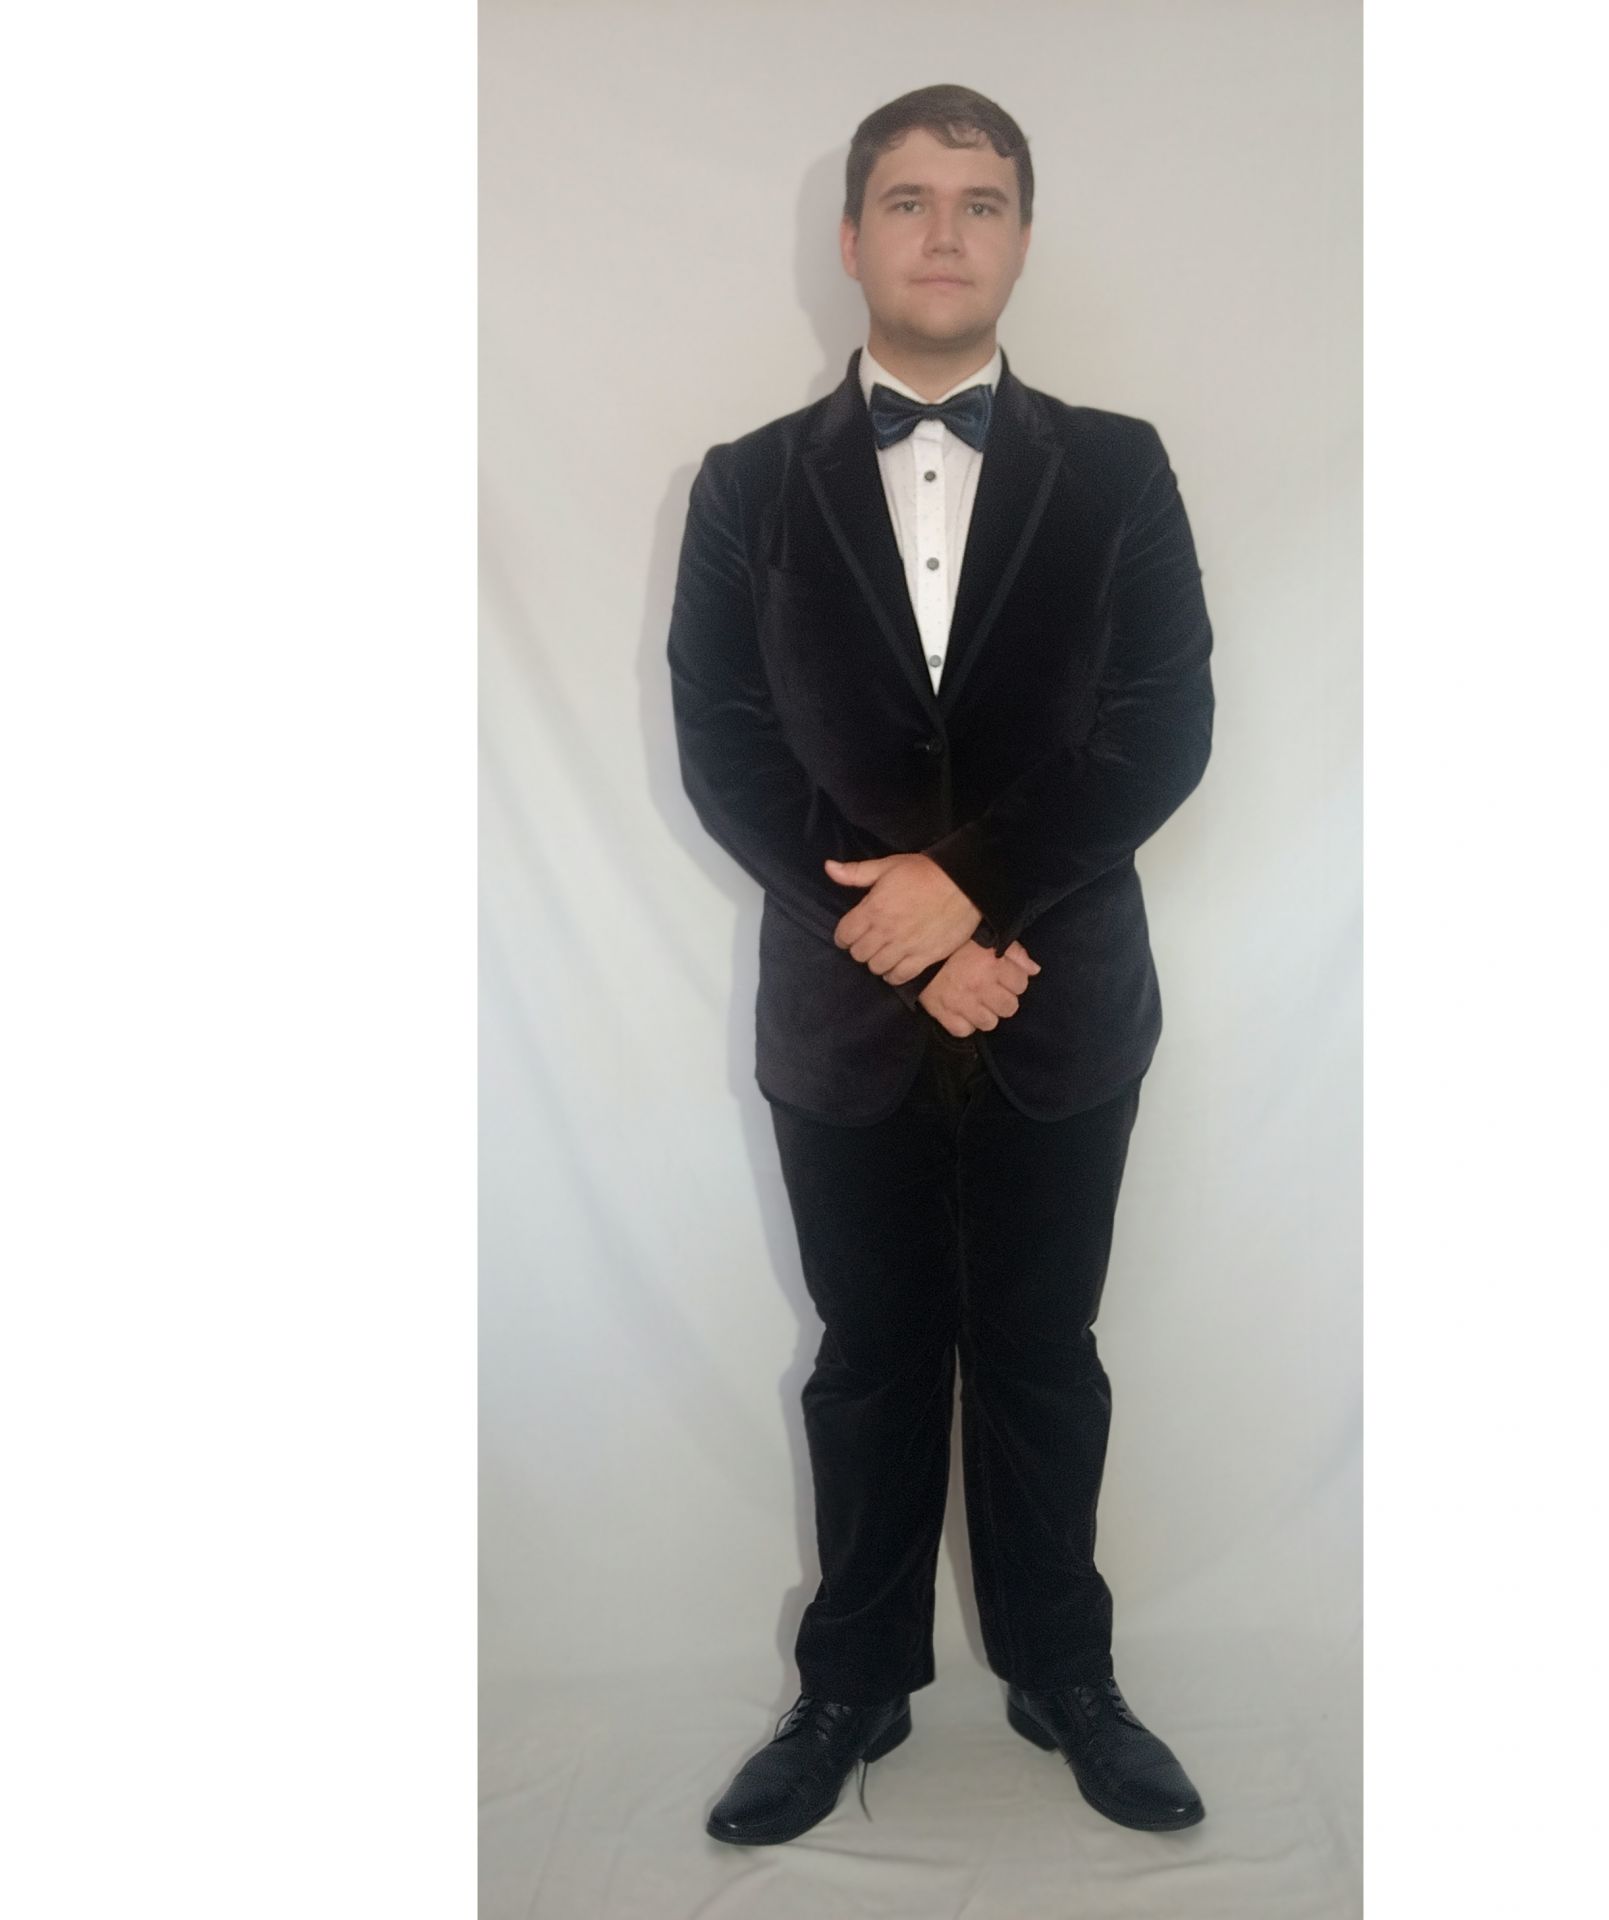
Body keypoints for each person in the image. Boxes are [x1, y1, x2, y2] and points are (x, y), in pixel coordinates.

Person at [667, 83, 1215, 1845]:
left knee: (1046, 1353)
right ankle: (852, 1686)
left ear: (1023, 239)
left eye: (981, 202)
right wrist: (904, 943)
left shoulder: (1120, 467)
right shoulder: (746, 486)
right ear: (853, 239)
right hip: (844, 1017)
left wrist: (965, 904)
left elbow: (1160, 729)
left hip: (1062, 1003)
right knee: (871, 1358)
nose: (945, 232)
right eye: (909, 200)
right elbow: (728, 745)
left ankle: (1067, 1671)